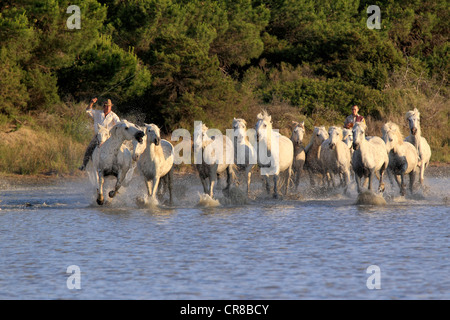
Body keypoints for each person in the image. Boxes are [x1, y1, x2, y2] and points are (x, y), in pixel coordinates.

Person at [79, 98, 120, 171]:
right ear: (103, 106)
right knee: (89, 149)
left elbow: (118, 124)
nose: (107, 107)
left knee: (117, 149)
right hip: (98, 136)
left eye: (109, 106)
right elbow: (88, 111)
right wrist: (91, 103)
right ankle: (84, 165)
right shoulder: (97, 113)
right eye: (106, 106)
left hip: (108, 137)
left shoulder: (113, 116)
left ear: (111, 107)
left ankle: (117, 165)